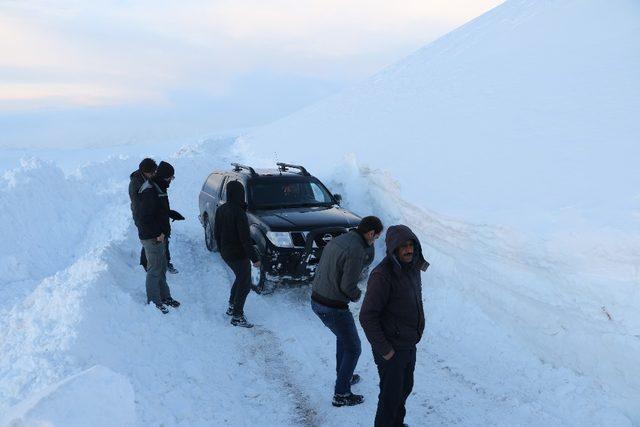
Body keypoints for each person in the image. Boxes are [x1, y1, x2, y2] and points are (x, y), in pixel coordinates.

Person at [360, 225, 429, 427]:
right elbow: (367, 316)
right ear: (393, 249)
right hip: (391, 348)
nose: (409, 250)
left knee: (404, 389)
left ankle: (397, 424)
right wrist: (386, 350)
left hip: (408, 343)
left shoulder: (413, 268)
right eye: (403, 247)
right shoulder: (382, 276)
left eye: (411, 245)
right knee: (390, 397)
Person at [311, 216, 384, 407]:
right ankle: (341, 394)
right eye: (375, 237)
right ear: (370, 233)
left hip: (317, 299)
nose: (374, 241)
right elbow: (347, 286)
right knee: (353, 347)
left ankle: (344, 376)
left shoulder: (341, 239)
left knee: (343, 338)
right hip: (332, 306)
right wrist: (358, 295)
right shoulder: (356, 250)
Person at [136, 161, 181, 314]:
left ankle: (165, 296)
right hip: (152, 236)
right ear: (164, 176)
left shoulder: (158, 187)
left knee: (161, 267)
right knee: (154, 269)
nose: (171, 180)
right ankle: (154, 302)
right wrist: (158, 233)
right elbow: (145, 217)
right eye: (170, 177)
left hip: (159, 235)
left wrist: (170, 214)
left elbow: (158, 210)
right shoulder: (150, 190)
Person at [214, 180, 260, 328]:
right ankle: (237, 316)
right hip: (238, 254)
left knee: (240, 278)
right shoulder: (239, 212)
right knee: (245, 284)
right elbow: (245, 239)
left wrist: (222, 250)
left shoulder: (222, 209)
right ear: (240, 194)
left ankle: (232, 306)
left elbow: (217, 233)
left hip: (227, 253)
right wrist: (255, 258)